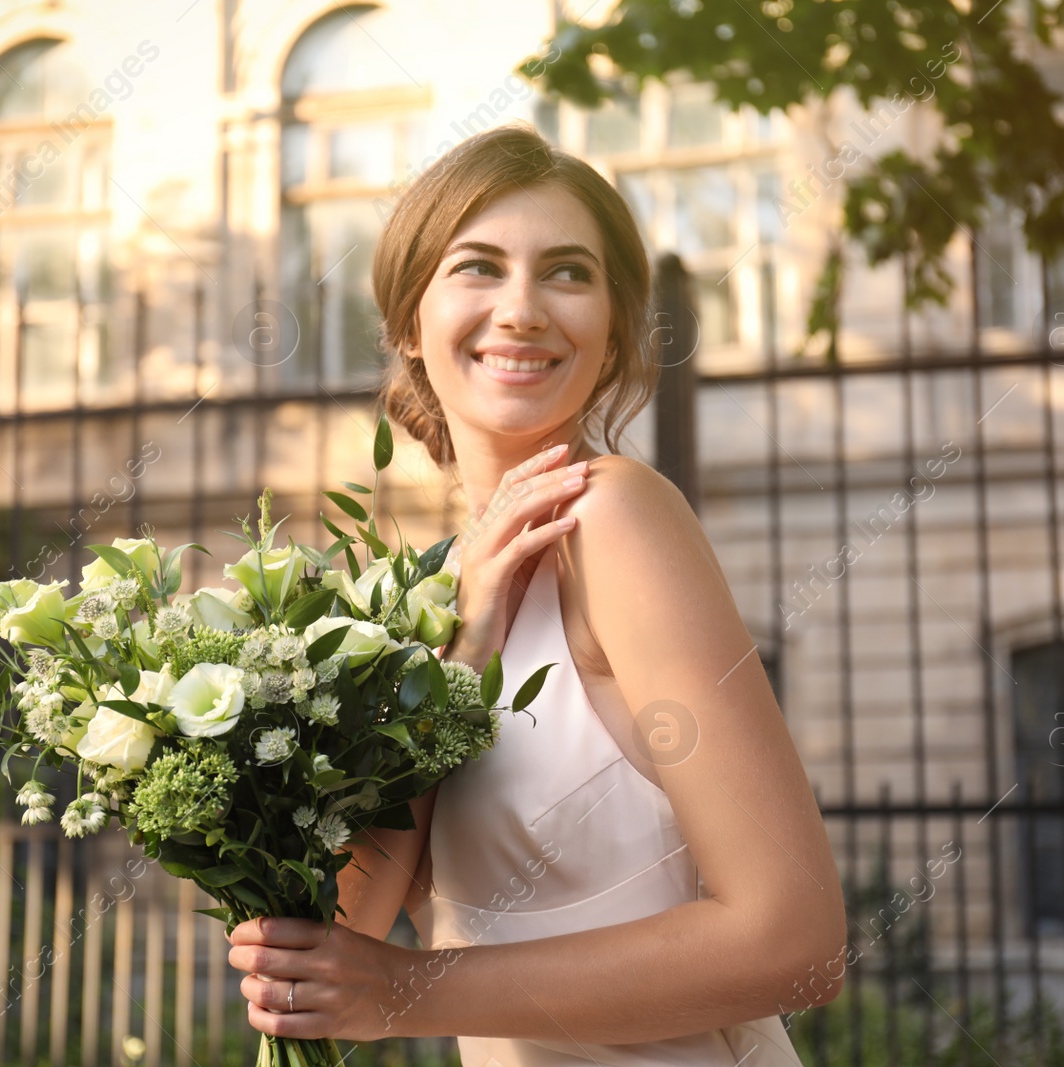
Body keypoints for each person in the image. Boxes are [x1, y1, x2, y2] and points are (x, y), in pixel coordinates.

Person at [226, 121, 846, 1065]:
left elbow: (795, 942)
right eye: (477, 266)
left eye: (566, 272)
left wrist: (405, 989)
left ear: (614, 324)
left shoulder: (615, 518)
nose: (522, 309)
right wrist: (456, 665)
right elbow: (334, 942)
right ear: (407, 320)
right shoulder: (421, 603)